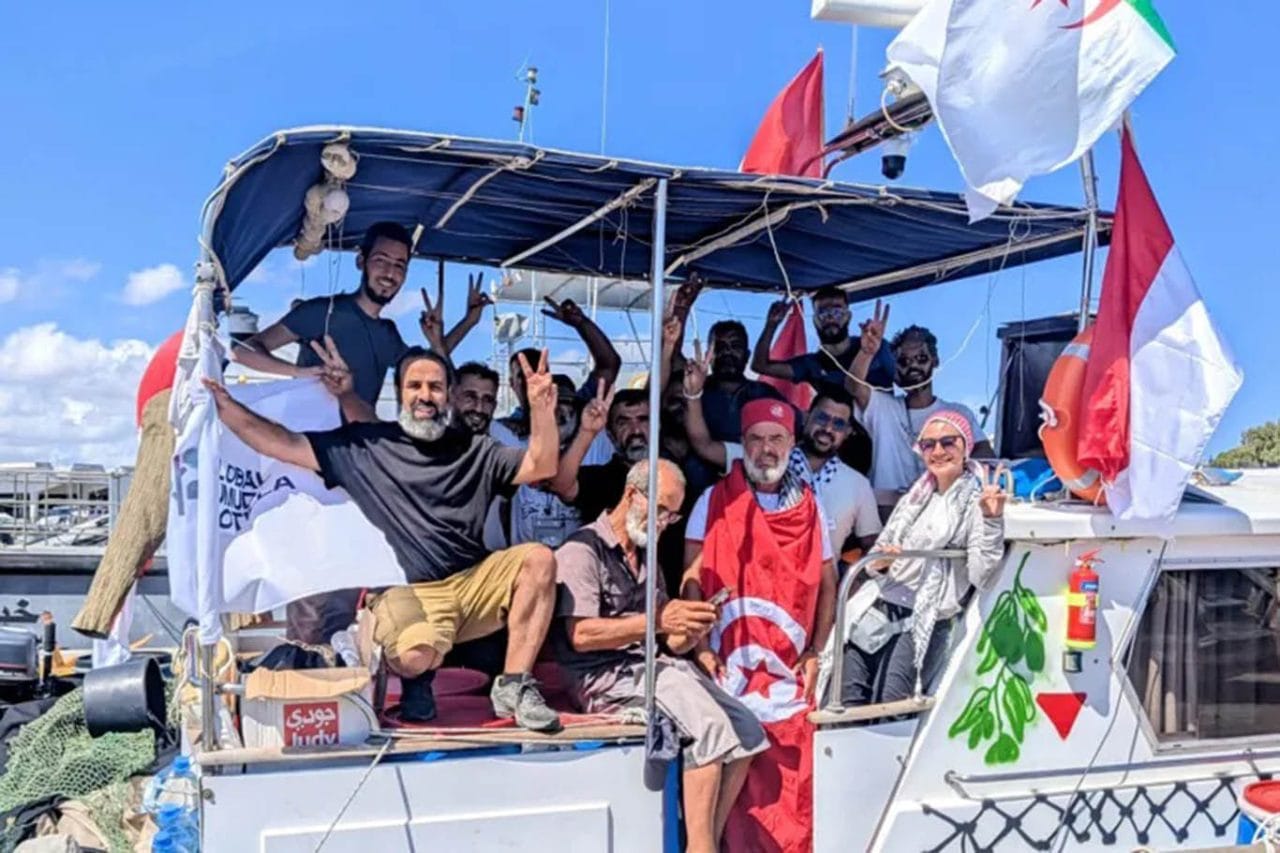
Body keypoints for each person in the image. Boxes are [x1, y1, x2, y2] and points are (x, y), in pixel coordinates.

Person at [203, 346, 564, 731]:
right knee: (415, 656)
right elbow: (283, 444)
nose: (425, 395)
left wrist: (541, 408)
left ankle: (514, 686)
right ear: (400, 393)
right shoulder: (369, 446)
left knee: (539, 559)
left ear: (449, 395)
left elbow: (541, 465)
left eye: (435, 387)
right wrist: (226, 407)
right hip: (405, 590)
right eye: (415, 386)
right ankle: (413, 672)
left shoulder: (478, 449)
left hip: (470, 585)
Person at [553, 460, 766, 853]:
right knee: (711, 729)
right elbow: (581, 635)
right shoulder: (581, 550)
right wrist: (657, 622)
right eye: (662, 510)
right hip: (605, 674)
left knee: (749, 730)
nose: (665, 522)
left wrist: (693, 629)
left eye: (672, 515)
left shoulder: (646, 555)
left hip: (652, 666)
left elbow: (670, 638)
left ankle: (705, 838)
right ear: (633, 495)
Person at [682, 398, 838, 853]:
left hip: (789, 668)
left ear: (791, 444)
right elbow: (691, 577)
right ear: (742, 443)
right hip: (728, 662)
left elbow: (828, 584)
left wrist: (816, 650)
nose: (766, 449)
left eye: (775, 439)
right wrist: (700, 646)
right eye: (756, 439)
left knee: (791, 788)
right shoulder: (712, 500)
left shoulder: (812, 507)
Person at [832, 411, 1007, 708]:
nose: (938, 451)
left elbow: (982, 575)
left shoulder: (977, 501)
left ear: (966, 446)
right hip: (880, 605)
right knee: (848, 697)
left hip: (927, 618)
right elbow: (878, 557)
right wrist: (881, 562)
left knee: (894, 705)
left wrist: (992, 520)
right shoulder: (914, 496)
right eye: (928, 444)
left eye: (948, 442)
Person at [682, 346, 882, 562]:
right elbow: (704, 446)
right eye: (822, 418)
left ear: (848, 432)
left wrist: (850, 576)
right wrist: (693, 394)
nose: (828, 428)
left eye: (839, 424)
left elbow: (872, 546)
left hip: (823, 581)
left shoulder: (858, 485)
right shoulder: (765, 458)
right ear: (806, 417)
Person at [846, 301, 993, 517]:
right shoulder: (883, 407)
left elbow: (986, 456)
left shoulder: (958, 413)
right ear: (896, 369)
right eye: (904, 361)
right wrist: (866, 352)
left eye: (921, 358)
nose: (913, 365)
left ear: (935, 361)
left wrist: (944, 479)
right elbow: (853, 386)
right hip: (887, 519)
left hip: (943, 518)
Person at [751, 286, 896, 394]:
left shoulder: (878, 347)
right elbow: (760, 366)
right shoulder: (810, 364)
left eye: (837, 311)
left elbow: (905, 382)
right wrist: (771, 325)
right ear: (814, 320)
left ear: (848, 316)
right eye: (823, 312)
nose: (830, 317)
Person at [451, 361, 500, 436]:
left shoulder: (507, 440)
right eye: (470, 397)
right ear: (451, 397)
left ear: (494, 406)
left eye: (487, 400)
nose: (479, 409)